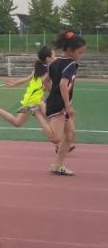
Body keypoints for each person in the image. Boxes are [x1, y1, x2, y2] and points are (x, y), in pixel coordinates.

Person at [0, 46, 57, 143]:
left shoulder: (39, 68)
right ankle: (60, 143)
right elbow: (45, 86)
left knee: (17, 122)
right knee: (55, 120)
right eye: (54, 55)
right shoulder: (48, 70)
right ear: (48, 58)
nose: (56, 57)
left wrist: (15, 83)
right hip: (35, 101)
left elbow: (28, 79)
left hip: (30, 99)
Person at [45, 30, 86, 176]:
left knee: (69, 135)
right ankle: (36, 112)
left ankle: (57, 165)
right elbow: (63, 84)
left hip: (57, 101)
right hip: (60, 105)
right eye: (80, 52)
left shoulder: (54, 62)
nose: (81, 55)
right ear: (69, 50)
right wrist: (68, 106)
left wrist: (53, 93)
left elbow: (45, 82)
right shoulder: (72, 64)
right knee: (56, 137)